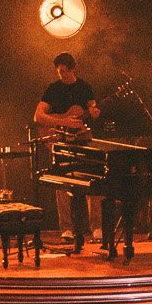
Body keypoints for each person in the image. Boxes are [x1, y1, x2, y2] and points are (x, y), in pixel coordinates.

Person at [33, 52, 101, 252]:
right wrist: (63, 122)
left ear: (72, 69)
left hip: (82, 139)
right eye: (59, 72)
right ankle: (67, 229)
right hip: (59, 140)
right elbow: (38, 116)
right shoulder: (53, 89)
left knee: (93, 179)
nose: (61, 75)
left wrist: (94, 113)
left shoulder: (85, 87)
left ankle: (96, 227)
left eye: (64, 71)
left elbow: (92, 110)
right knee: (61, 183)